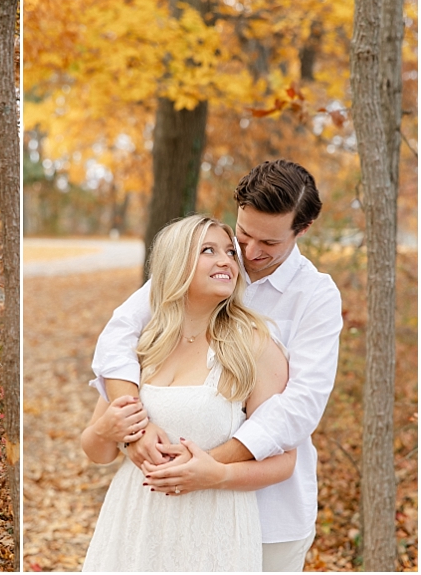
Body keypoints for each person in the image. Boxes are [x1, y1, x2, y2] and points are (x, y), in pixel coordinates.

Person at [89, 159, 343, 571]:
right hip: (170, 512)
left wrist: (208, 465)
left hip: (271, 513)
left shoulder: (314, 296)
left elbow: (299, 408)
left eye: (270, 243)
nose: (250, 253)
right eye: (245, 233)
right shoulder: (208, 261)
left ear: (302, 230)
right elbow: (119, 336)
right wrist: (134, 429)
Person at [81, 214, 295, 571]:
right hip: (135, 520)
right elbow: (96, 450)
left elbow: (284, 461)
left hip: (213, 527)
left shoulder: (255, 348)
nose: (227, 259)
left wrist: (217, 474)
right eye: (208, 250)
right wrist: (108, 431)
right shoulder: (144, 344)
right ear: (176, 263)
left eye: (230, 252)